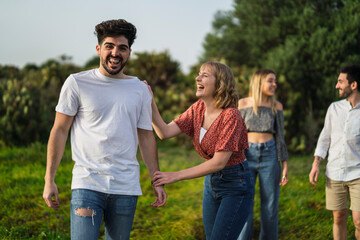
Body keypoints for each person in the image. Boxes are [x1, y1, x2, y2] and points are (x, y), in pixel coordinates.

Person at [42, 19, 167, 240]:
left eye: (122, 47)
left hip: (125, 187)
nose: (115, 53)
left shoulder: (140, 89)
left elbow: (147, 137)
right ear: (99, 49)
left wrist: (156, 180)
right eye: (109, 46)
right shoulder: (77, 83)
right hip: (87, 183)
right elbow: (59, 130)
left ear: (129, 52)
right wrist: (49, 179)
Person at [145, 61, 254, 240]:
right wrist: (149, 101)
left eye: (205, 75)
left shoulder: (231, 115)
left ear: (220, 83)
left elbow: (219, 162)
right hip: (212, 183)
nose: (197, 78)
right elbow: (164, 132)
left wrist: (175, 175)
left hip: (236, 184)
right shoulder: (198, 108)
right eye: (198, 74)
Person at [309, 64, 360, 240]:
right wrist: (316, 164)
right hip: (335, 172)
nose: (336, 85)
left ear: (353, 85)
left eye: (340, 81)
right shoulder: (334, 108)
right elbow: (325, 138)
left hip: (358, 174)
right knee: (339, 217)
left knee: (359, 221)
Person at [237, 69, 289, 240]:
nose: (275, 84)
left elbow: (280, 136)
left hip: (270, 155)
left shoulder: (276, 106)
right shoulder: (242, 104)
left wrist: (285, 165)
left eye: (275, 81)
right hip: (246, 155)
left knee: (270, 206)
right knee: (245, 204)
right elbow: (235, 135)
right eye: (270, 81)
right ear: (259, 82)